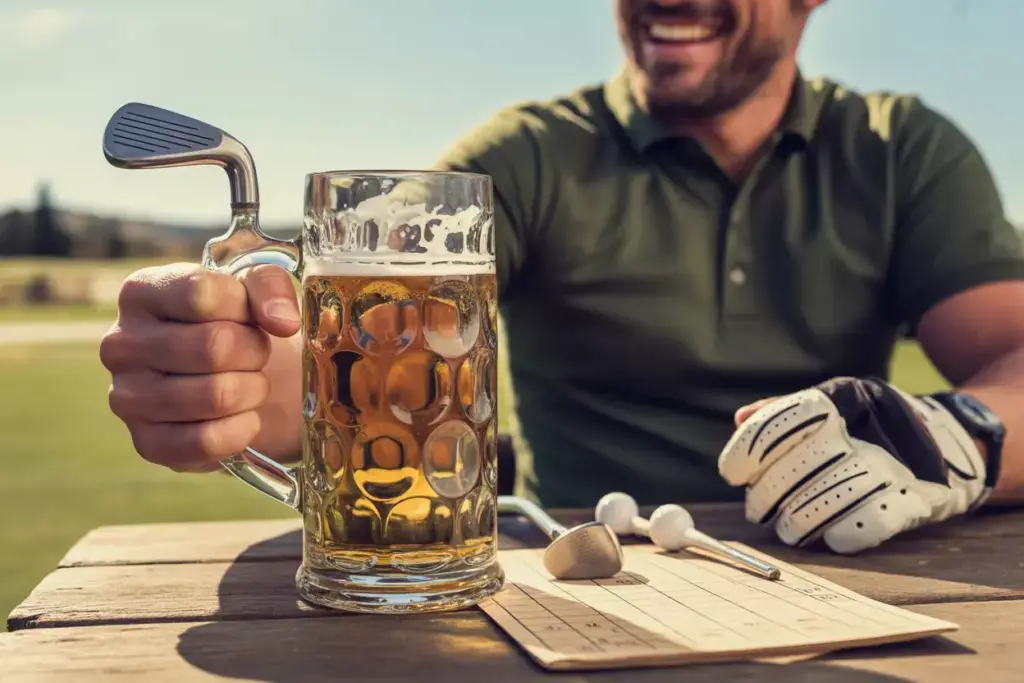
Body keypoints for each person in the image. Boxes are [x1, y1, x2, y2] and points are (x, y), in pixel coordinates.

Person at [99, 0, 1024, 554]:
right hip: (576, 569)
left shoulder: (903, 152)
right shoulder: (527, 155)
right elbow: (353, 366)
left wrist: (955, 435)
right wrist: (222, 370)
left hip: (838, 579)